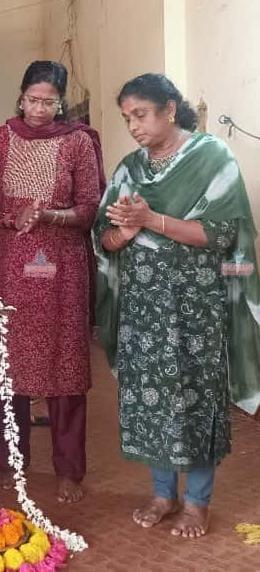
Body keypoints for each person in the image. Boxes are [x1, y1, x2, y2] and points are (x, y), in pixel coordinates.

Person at [94, 73, 260, 538]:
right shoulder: (129, 169)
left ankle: (198, 502)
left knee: (197, 398)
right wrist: (125, 232)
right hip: (143, 309)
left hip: (196, 306)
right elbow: (104, 239)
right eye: (127, 118)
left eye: (141, 115)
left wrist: (152, 220)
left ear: (169, 109)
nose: (134, 126)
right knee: (152, 398)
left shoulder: (212, 158)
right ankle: (163, 494)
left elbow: (222, 234)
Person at [0, 60, 104, 503]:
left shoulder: (78, 142)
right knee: (9, 365)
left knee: (66, 366)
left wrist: (49, 216)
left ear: (61, 102)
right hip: (10, 266)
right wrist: (12, 219)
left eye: (49, 102)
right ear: (21, 96)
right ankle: (11, 462)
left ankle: (69, 471)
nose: (40, 109)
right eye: (33, 100)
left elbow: (89, 208)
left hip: (62, 269)